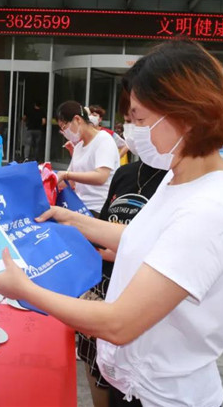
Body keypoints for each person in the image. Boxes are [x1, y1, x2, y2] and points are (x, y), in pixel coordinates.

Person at [0, 39, 223, 406]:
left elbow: (119, 323)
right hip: (134, 384)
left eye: (140, 119)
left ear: (186, 116)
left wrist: (25, 289)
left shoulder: (209, 209)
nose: (133, 131)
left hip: (162, 397)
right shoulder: (180, 176)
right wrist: (72, 219)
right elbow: (146, 237)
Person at [76, 89, 167, 407]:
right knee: (95, 366)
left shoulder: (176, 182)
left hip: (140, 296)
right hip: (104, 285)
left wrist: (125, 250)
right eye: (128, 120)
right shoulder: (126, 174)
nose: (132, 129)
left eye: (139, 120)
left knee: (126, 387)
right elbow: (104, 222)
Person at [55, 101, 120, 217]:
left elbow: (101, 177)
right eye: (62, 129)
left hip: (98, 209)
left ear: (77, 119)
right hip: (79, 206)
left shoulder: (103, 140)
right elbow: (69, 182)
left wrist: (66, 175)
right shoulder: (79, 147)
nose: (64, 132)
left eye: (65, 127)